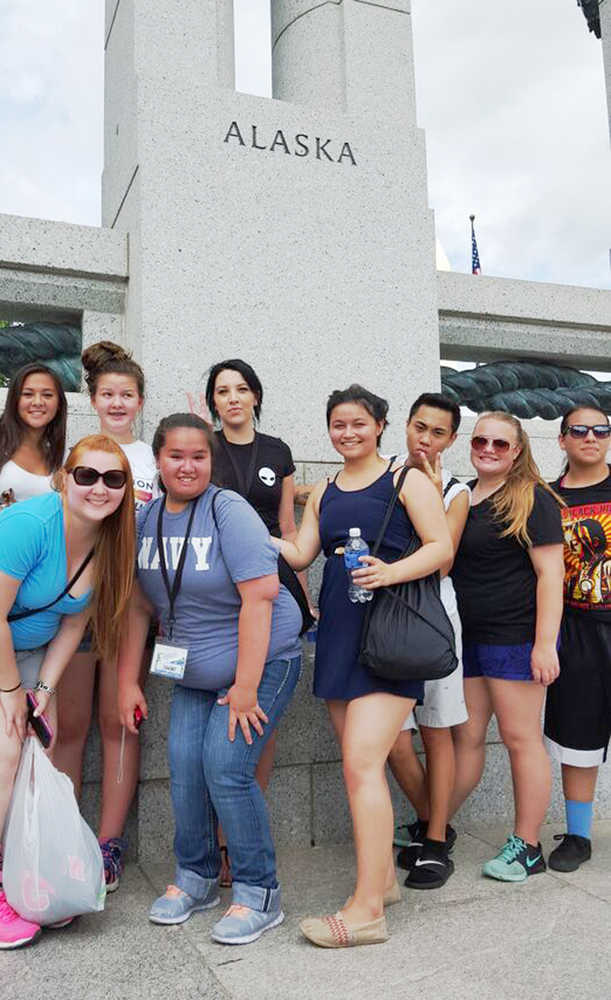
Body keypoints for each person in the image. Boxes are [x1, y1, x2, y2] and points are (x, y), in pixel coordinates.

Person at [276, 385, 453, 948]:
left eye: (357, 423)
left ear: (379, 425)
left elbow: (441, 547)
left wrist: (388, 573)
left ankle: (366, 910)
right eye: (337, 425)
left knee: (360, 765)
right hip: (339, 637)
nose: (347, 433)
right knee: (361, 769)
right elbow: (303, 553)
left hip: (393, 637)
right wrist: (242, 529)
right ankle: (382, 881)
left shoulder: (408, 480)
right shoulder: (325, 490)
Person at [116, 413, 302, 945]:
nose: (188, 465)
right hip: (192, 668)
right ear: (158, 459)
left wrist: (244, 687)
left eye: (199, 456)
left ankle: (259, 892)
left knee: (225, 766)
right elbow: (136, 608)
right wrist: (129, 680)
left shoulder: (229, 510)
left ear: (211, 461)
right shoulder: (145, 520)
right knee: (183, 765)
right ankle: (195, 877)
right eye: (176, 455)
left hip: (263, 661)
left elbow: (260, 598)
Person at [0, 434, 134, 948]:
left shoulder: (106, 542)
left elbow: (74, 625)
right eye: (87, 475)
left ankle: (25, 877)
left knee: (43, 752)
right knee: (9, 753)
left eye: (113, 478)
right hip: (4, 656)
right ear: (64, 478)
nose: (99, 488)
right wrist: (13, 691)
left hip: (33, 658)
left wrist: (43, 691)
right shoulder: (29, 527)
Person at [54, 342, 159, 892]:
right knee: (69, 726)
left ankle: (108, 843)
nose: (117, 403)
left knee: (120, 720)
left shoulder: (151, 459)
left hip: (132, 606)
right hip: (76, 605)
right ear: (93, 398)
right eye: (108, 394)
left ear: (140, 401)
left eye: (127, 395)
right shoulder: (76, 454)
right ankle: (66, 839)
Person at [205, 358, 312, 886]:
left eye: (241, 389)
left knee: (258, 725)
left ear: (255, 396)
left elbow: (290, 528)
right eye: (222, 391)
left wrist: (307, 601)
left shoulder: (277, 452)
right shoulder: (203, 448)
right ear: (212, 401)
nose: (232, 399)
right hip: (223, 593)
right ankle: (222, 839)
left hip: (277, 583)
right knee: (227, 706)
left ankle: (239, 835)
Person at [450, 411, 564, 881]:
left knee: (520, 740)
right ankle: (434, 823)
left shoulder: (532, 498)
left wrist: (545, 644)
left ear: (517, 451)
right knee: (466, 739)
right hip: (467, 640)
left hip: (515, 639)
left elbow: (550, 575)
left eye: (501, 444)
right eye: (482, 441)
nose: (489, 450)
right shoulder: (461, 496)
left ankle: (528, 846)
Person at [386, 393, 469, 889]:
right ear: (405, 426)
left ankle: (434, 840)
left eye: (438, 433)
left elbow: (444, 558)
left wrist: (434, 498)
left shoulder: (455, 491)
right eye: (420, 427)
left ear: (451, 439)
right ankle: (433, 822)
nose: (426, 440)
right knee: (395, 739)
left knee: (437, 730)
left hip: (434, 613)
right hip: (386, 618)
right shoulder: (387, 473)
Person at [544, 406, 611, 871]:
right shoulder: (547, 498)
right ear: (563, 439)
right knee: (578, 735)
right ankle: (578, 836)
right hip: (575, 626)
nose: (592, 437)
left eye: (602, 430)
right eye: (580, 430)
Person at [0, 362, 67, 502]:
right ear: (14, 400)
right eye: (28, 394)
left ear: (59, 404)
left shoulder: (64, 457)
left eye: (47, 395)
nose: (38, 402)